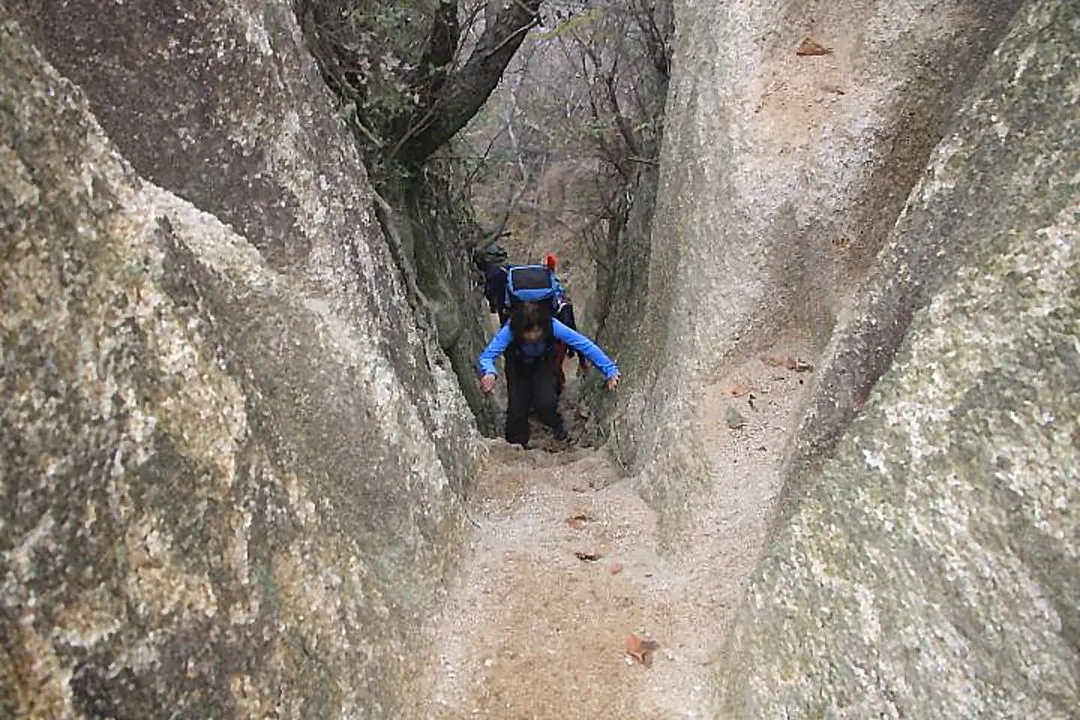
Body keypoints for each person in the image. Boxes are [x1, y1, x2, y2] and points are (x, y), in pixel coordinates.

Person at [478, 300, 620, 448]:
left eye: (536, 331)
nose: (533, 336)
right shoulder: (510, 330)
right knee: (517, 408)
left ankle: (557, 426)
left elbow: (583, 344)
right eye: (528, 332)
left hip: (543, 363)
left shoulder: (552, 325)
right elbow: (487, 356)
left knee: (545, 402)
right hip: (517, 365)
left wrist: (609, 369)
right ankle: (517, 445)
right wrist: (489, 372)